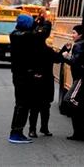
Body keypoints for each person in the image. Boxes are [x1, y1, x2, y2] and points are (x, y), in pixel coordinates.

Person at [27, 9, 62, 138]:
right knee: (44, 106)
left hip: (36, 80)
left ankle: (33, 129)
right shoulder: (46, 50)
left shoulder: (30, 49)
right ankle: (43, 128)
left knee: (36, 106)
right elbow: (58, 58)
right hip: (45, 80)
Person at [8, 14, 36, 144]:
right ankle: (16, 133)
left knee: (20, 103)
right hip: (24, 75)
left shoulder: (14, 34)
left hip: (18, 74)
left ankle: (16, 131)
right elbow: (39, 35)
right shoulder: (27, 37)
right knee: (23, 105)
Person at [61, 25, 84, 141]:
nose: (72, 35)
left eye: (74, 33)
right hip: (79, 78)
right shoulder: (82, 44)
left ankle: (81, 117)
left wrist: (66, 56)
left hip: (80, 78)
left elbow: (75, 62)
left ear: (80, 34)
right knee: (73, 102)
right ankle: (78, 133)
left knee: (70, 100)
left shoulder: (78, 45)